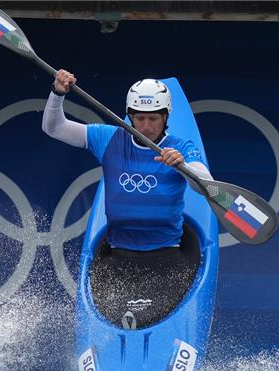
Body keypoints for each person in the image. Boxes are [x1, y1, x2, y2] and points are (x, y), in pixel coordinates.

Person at [41, 70, 213, 328]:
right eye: (139, 118)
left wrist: (184, 167)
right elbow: (54, 128)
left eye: (153, 118)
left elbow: (206, 185)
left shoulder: (181, 148)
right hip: (117, 259)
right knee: (122, 326)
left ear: (166, 117)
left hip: (167, 259)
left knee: (148, 324)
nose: (145, 126)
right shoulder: (108, 138)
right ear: (129, 116)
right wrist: (57, 94)